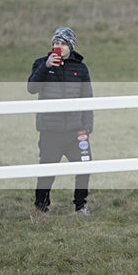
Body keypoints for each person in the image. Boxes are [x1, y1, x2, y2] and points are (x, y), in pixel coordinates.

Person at [27, 27, 94, 216]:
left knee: (85, 166)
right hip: (50, 130)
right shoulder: (41, 63)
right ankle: (41, 208)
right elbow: (31, 88)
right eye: (55, 43)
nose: (58, 46)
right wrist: (46, 66)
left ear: (70, 46)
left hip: (76, 131)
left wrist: (87, 128)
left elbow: (88, 99)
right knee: (47, 170)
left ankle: (80, 206)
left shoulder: (81, 68)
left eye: (63, 43)